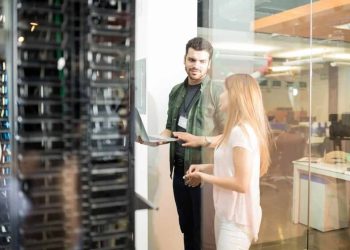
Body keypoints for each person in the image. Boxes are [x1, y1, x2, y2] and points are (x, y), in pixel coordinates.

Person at [183, 74, 272, 250]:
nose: (221, 95)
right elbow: (232, 168)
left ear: (236, 96)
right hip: (226, 213)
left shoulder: (241, 133)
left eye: (225, 91)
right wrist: (206, 168)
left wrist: (203, 177)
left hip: (237, 220)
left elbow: (241, 183)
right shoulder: (236, 130)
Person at [157, 37, 226, 250]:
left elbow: (228, 136)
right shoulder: (176, 91)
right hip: (179, 171)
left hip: (205, 173)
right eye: (192, 59)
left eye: (202, 61)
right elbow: (170, 127)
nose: (196, 65)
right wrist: (156, 139)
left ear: (209, 64)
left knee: (205, 233)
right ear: (184, 59)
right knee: (186, 226)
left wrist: (201, 141)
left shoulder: (217, 92)